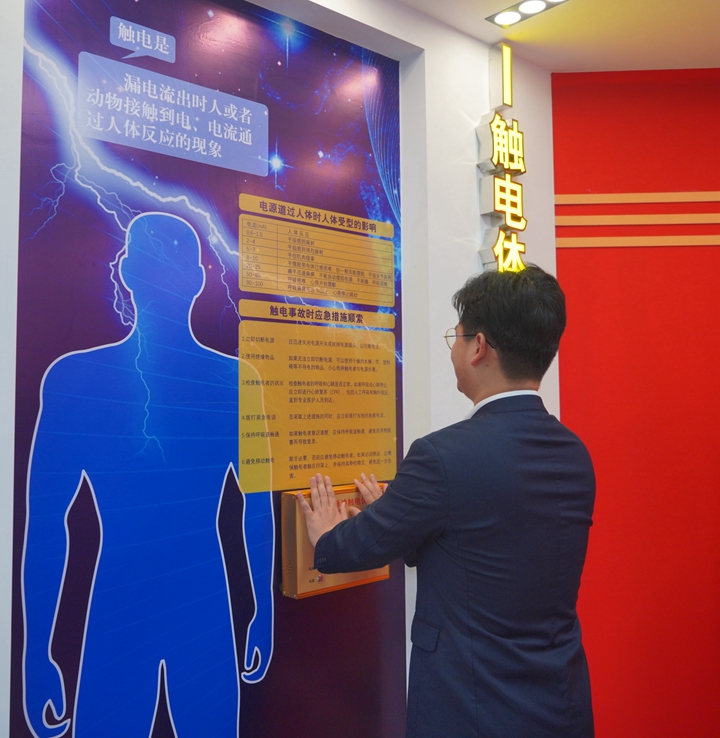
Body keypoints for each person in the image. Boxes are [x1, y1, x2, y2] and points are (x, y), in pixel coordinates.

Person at [298, 265, 595, 738]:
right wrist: (394, 517)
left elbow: (351, 550)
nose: (453, 349)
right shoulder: (573, 453)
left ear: (479, 347)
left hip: (472, 710)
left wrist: (330, 535)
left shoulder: (443, 456)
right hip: (560, 705)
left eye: (455, 337)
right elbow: (483, 545)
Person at [22, 213, 274, 738]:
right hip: (174, 607)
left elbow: (47, 527)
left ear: (125, 270)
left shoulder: (77, 380)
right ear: (198, 280)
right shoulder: (231, 383)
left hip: (149, 609)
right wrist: (261, 613)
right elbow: (45, 525)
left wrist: (39, 655)